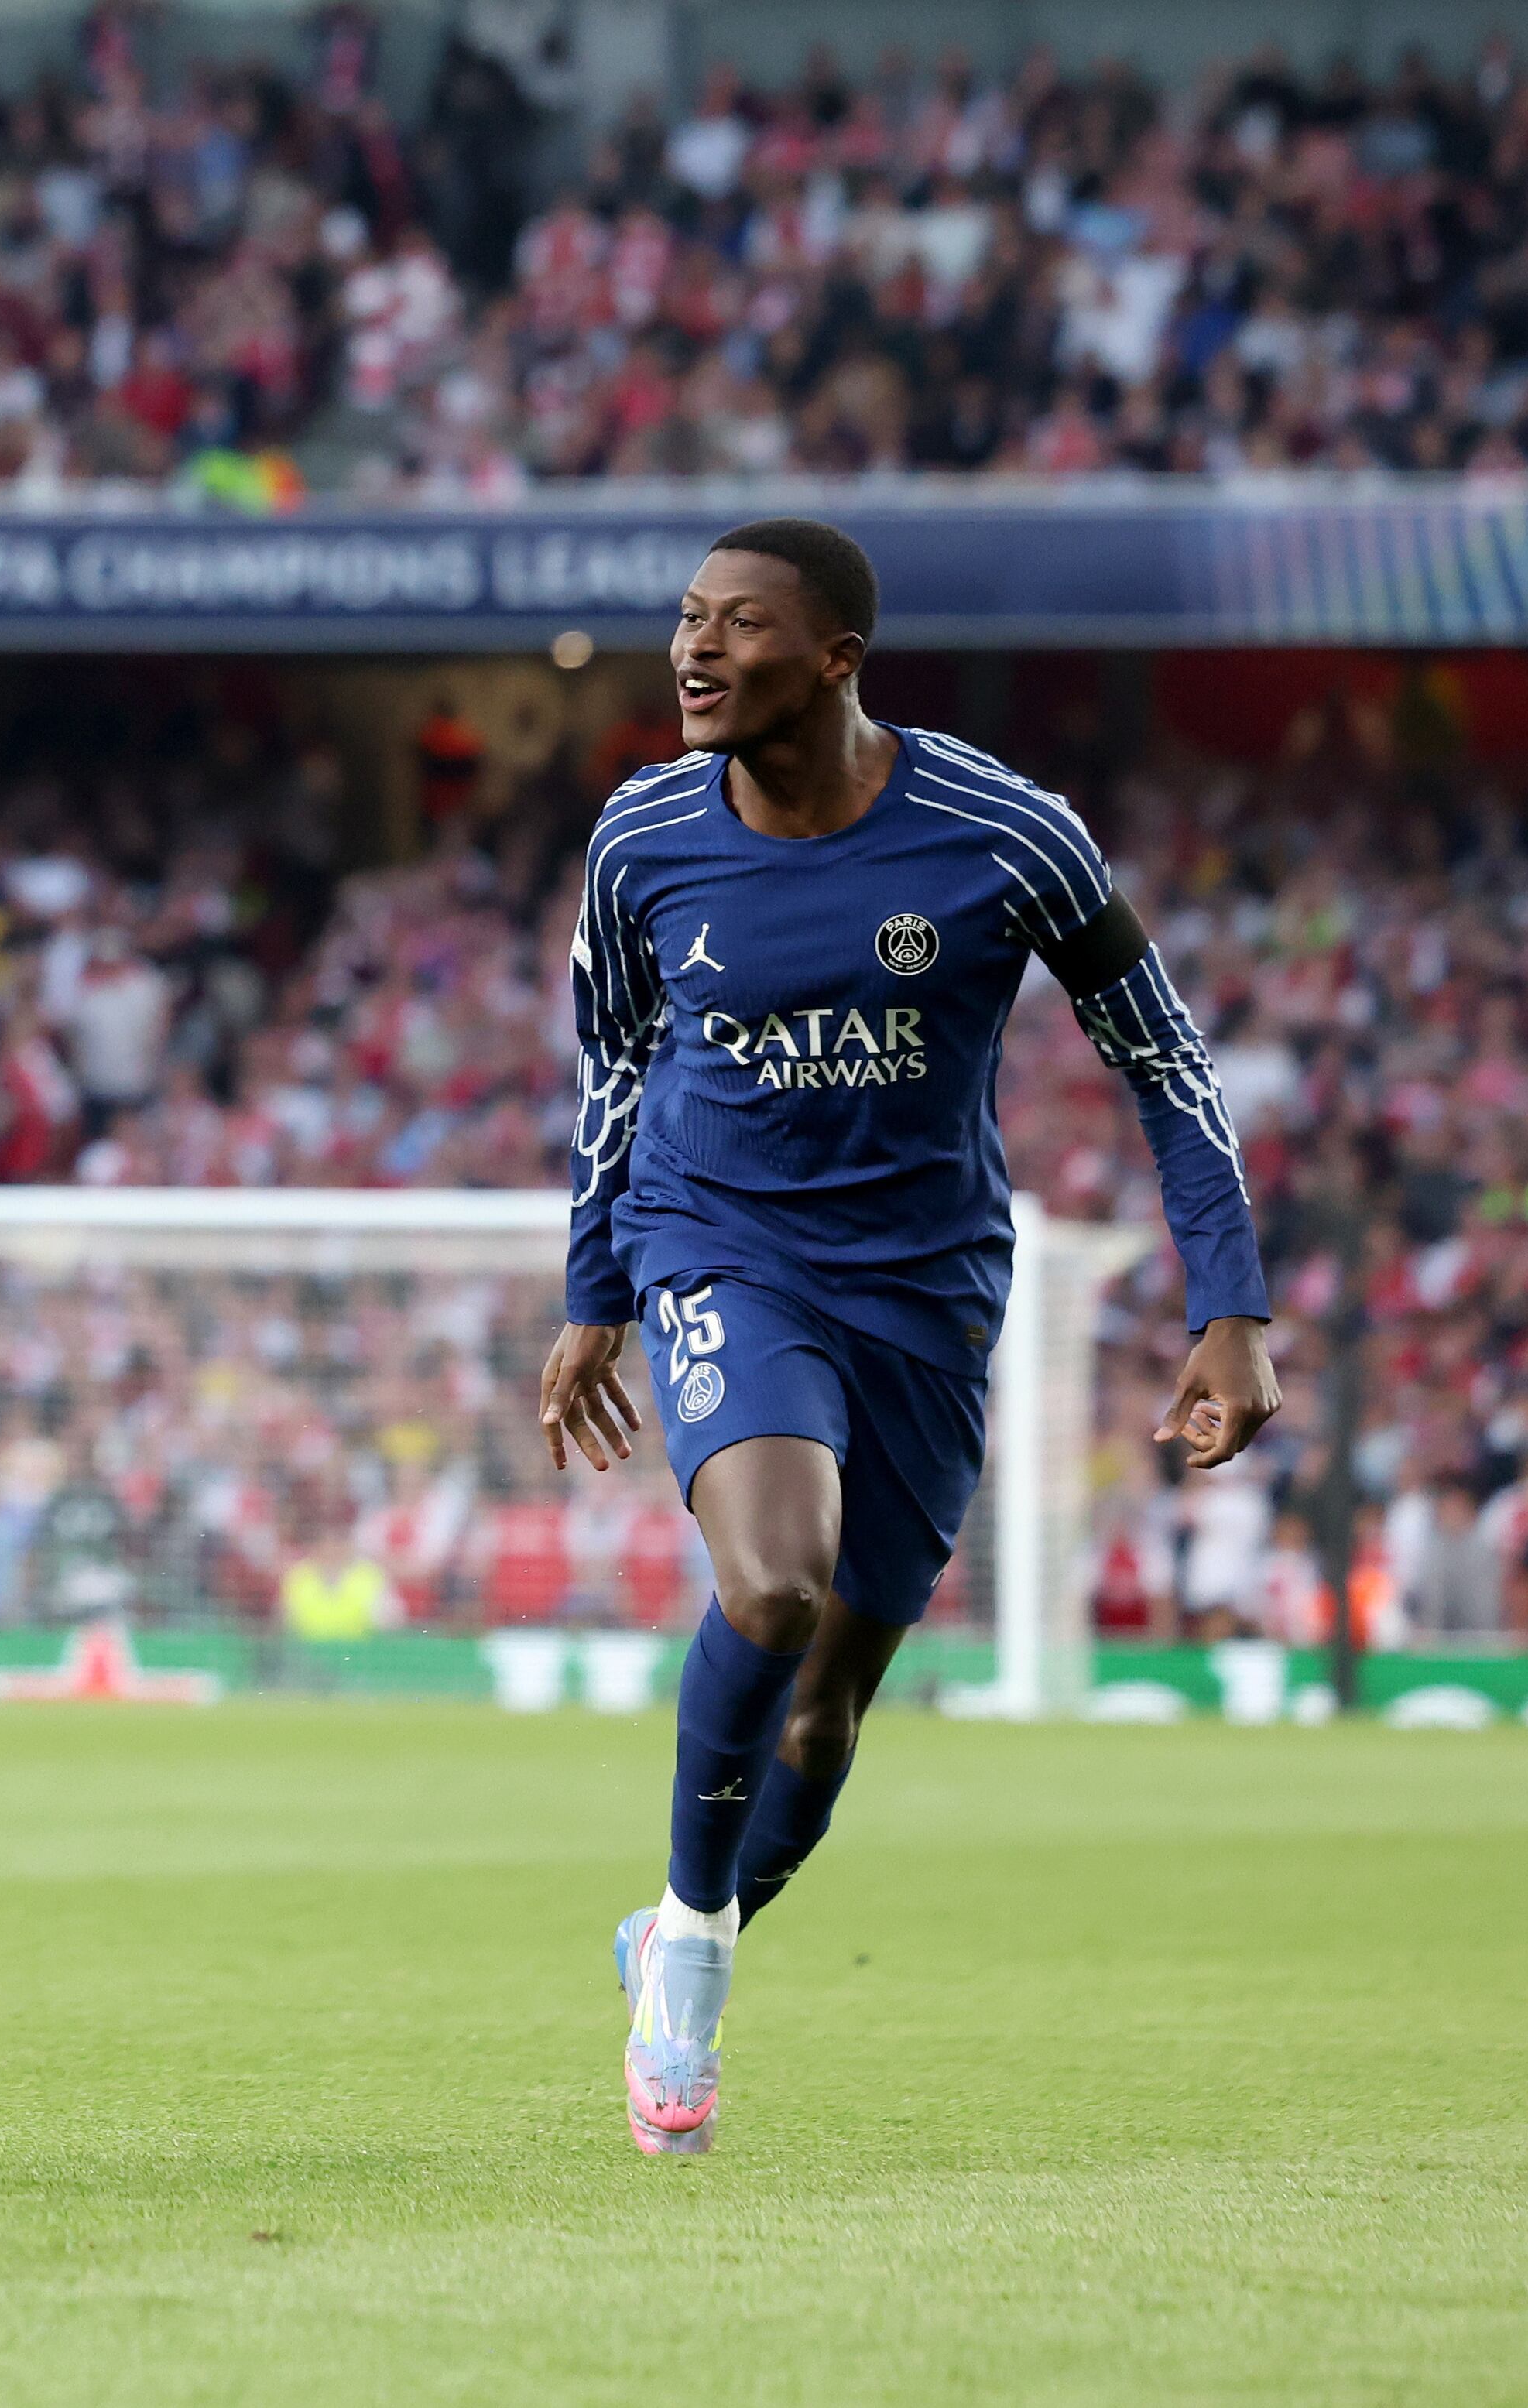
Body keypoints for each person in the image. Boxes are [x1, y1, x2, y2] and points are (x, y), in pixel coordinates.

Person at [534, 518, 1277, 2157]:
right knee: (771, 1584)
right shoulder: (642, 833)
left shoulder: (1008, 835)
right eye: (685, 618)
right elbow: (608, 1063)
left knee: (827, 1705)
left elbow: (1163, 1062)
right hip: (717, 1241)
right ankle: (691, 1957)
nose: (694, 650)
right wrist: (594, 1285)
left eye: (739, 625)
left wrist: (1229, 1305)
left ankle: (682, 1928)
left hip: (925, 1285)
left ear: (839, 661)